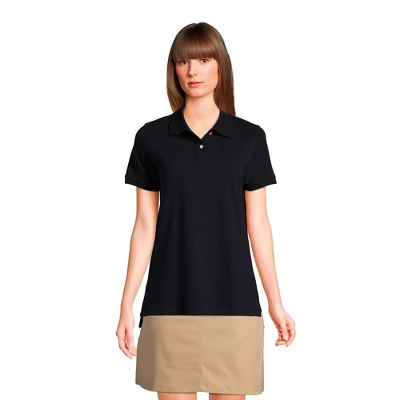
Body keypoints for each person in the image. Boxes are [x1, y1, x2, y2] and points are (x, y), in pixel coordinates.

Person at [116, 22, 296, 399]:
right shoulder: (151, 138)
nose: (192, 71)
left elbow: (259, 224)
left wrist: (275, 302)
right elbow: (145, 225)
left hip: (235, 303)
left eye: (203, 60)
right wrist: (126, 303)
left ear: (220, 66)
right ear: (174, 69)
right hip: (169, 302)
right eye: (183, 62)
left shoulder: (249, 138)